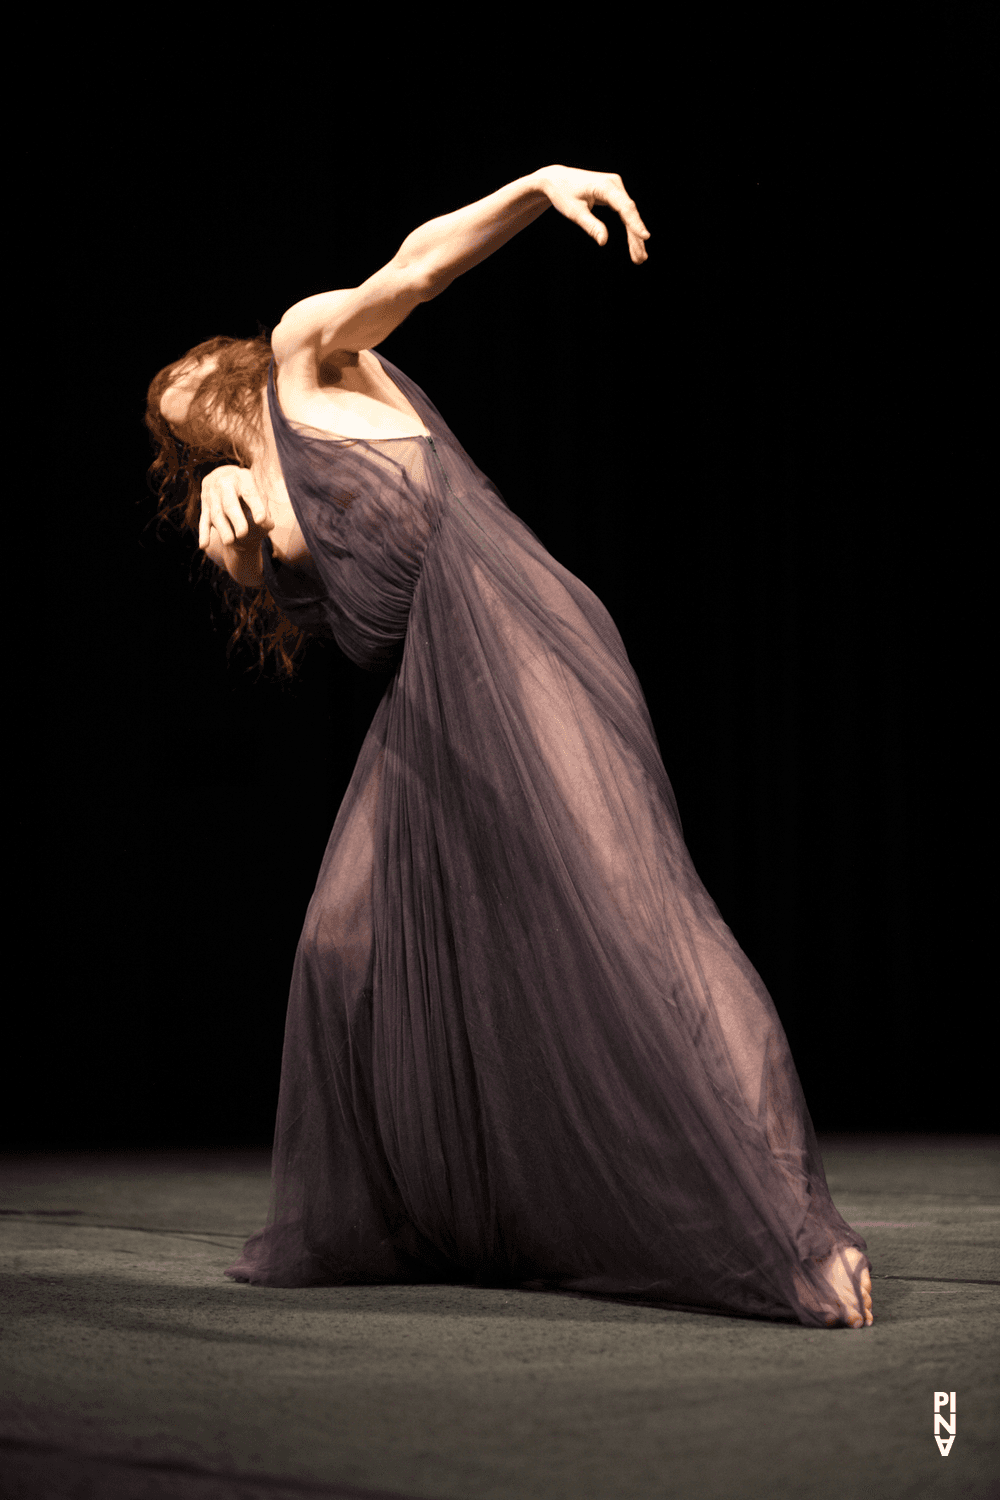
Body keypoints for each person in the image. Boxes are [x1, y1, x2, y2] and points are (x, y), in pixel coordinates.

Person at [146, 166, 873, 1328]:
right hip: (426, 701)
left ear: (223, 364)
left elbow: (414, 270)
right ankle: (448, 1217)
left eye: (183, 366)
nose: (171, 384)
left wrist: (536, 187)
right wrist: (226, 531)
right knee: (343, 946)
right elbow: (314, 614)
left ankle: (795, 1232)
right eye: (161, 400)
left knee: (642, 919)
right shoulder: (243, 501)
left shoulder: (304, 357)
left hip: (515, 639)